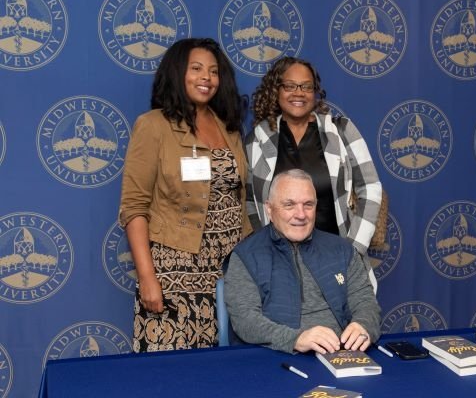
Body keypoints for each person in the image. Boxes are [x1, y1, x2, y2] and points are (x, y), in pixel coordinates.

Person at [119, 38, 252, 352]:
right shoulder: (153, 126)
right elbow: (134, 207)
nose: (206, 77)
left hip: (231, 271)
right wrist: (147, 277)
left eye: (213, 71)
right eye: (196, 69)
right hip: (174, 273)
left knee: (227, 373)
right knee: (172, 376)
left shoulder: (230, 129)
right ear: (178, 73)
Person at [245, 56, 382, 286]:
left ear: (315, 92)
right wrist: (267, 253)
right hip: (280, 266)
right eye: (289, 86)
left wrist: (353, 250)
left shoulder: (341, 131)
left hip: (337, 261)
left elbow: (370, 187)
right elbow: (252, 201)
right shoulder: (258, 139)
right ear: (275, 91)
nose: (298, 93)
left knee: (346, 321)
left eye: (306, 86)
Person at [224, 169, 381, 354]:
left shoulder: (342, 250)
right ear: (269, 209)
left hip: (341, 355)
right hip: (274, 359)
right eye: (289, 205)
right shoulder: (246, 256)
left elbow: (366, 303)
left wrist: (363, 325)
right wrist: (296, 339)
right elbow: (245, 321)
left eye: (308, 204)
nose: (301, 214)